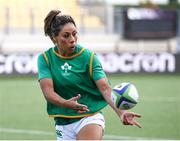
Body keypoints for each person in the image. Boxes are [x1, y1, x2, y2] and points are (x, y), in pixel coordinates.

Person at [37, 9, 142, 140]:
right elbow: (48, 92)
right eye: (66, 35)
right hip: (62, 123)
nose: (72, 39)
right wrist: (66, 103)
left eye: (74, 34)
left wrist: (122, 112)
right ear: (54, 38)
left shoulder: (89, 57)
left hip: (90, 117)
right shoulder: (45, 59)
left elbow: (105, 88)